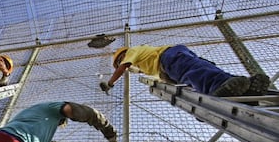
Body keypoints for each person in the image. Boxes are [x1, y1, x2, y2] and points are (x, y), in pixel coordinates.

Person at [100, 44, 270, 97]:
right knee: (199, 69)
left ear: (123, 55)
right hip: (174, 56)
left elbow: (123, 68)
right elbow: (136, 70)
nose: (121, 64)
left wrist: (110, 83)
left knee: (192, 73)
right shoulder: (143, 60)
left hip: (168, 58)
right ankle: (248, 88)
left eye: (119, 60)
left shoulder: (132, 52)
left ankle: (221, 84)